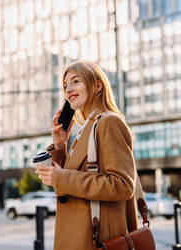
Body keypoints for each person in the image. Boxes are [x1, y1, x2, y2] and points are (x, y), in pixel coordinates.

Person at [34, 61, 139, 249]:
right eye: (65, 85)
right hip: (82, 236)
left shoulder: (108, 122)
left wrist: (62, 178)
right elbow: (74, 181)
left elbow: (122, 185)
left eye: (76, 81)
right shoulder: (87, 129)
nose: (68, 90)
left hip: (96, 239)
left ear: (98, 85)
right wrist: (59, 145)